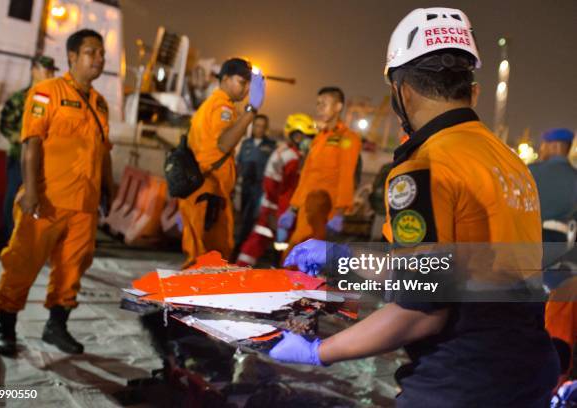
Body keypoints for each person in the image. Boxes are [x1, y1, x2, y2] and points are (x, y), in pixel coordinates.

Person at [270, 8, 560, 406]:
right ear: (470, 88)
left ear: (402, 90)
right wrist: (342, 259)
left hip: (464, 378)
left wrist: (319, 352)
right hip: (526, 369)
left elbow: (422, 310)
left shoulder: (422, 166)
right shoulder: (507, 159)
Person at [0, 29, 115, 356]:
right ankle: (4, 324)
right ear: (72, 56)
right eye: (92, 52)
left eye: (102, 54)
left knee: (72, 269)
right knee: (22, 261)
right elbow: (31, 144)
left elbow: (104, 151)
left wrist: (108, 187)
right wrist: (31, 191)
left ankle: (56, 326)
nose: (99, 59)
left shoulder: (100, 103)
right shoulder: (47, 92)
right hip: (47, 199)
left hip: (84, 206)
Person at [178, 58, 265, 267]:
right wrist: (251, 110)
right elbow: (224, 144)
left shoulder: (214, 105)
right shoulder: (221, 107)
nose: (245, 89)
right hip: (207, 192)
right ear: (225, 79)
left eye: (248, 85)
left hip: (206, 191)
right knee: (206, 260)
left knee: (206, 258)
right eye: (241, 82)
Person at [277, 87, 361, 255]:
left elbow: (346, 176)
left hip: (325, 215)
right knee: (293, 258)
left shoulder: (348, 138)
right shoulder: (319, 138)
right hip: (305, 212)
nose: (319, 109)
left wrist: (340, 212)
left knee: (308, 263)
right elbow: (306, 175)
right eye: (318, 104)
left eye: (324, 104)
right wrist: (292, 208)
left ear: (338, 107)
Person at [236, 113, 317, 266]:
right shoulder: (290, 157)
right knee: (264, 241)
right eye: (303, 137)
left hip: (280, 208)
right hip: (277, 209)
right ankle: (242, 269)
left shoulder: (289, 154)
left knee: (272, 243)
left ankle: (246, 269)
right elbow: (274, 185)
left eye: (309, 137)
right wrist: (276, 211)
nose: (307, 141)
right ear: (294, 136)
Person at [529, 128, 577, 386]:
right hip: (566, 272)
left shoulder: (532, 173)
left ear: (553, 146)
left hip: (527, 265)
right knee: (560, 337)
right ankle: (557, 386)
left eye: (544, 145)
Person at [0, 55, 58, 239]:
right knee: (14, 194)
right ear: (33, 70)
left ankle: (28, 237)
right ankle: (10, 234)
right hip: (20, 157)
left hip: (44, 158)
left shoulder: (53, 99)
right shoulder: (20, 98)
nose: (48, 74)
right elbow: (5, 124)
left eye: (50, 71)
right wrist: (23, 141)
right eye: (44, 69)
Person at [235, 114, 276, 248]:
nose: (259, 129)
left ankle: (251, 247)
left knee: (257, 218)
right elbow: (239, 164)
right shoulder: (246, 144)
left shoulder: (271, 146)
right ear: (253, 127)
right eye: (257, 126)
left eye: (263, 126)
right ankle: (241, 245)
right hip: (246, 186)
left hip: (261, 188)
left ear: (266, 128)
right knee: (244, 216)